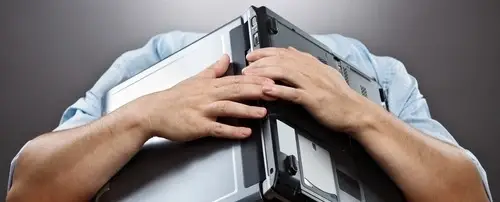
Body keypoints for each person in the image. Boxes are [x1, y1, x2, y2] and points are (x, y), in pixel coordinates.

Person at [5, 30, 491, 202]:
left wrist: (359, 114)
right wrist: (146, 115)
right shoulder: (157, 57)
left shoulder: (375, 72)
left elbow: (469, 196)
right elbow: (30, 190)